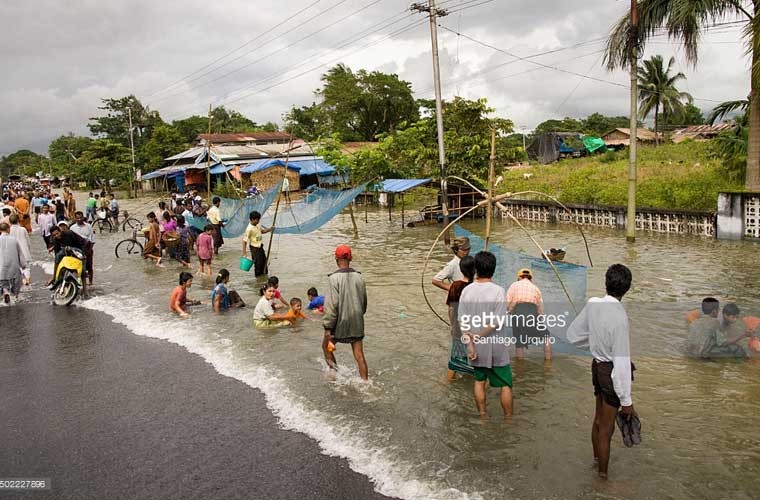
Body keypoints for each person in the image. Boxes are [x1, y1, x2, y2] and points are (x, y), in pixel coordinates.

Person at [566, 264, 634, 480]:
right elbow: (621, 363)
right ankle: (602, 478)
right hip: (610, 370)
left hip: (597, 366)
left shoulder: (593, 304)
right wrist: (626, 400)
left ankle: (596, 461)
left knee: (598, 421)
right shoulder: (620, 318)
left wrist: (596, 346)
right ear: (627, 289)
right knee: (607, 428)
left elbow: (573, 336)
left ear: (606, 282)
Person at [458, 251, 512, 418]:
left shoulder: (467, 291)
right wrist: (480, 335)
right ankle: (509, 418)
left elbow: (462, 321)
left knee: (479, 381)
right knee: (505, 384)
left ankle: (482, 415)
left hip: (476, 347)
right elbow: (497, 321)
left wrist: (470, 344)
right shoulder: (498, 291)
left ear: (476, 269)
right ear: (493, 269)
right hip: (495, 345)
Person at [322, 245, 369, 380]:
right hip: (356, 319)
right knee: (359, 354)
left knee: (326, 346)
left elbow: (331, 305)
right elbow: (364, 302)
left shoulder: (333, 279)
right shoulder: (360, 277)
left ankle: (335, 375)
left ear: (336, 259)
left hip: (339, 321)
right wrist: (359, 316)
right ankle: (365, 383)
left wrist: (328, 328)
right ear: (351, 258)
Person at [507, 268, 550, 361]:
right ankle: (548, 363)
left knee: (519, 343)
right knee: (546, 336)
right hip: (532, 314)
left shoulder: (514, 285)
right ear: (530, 278)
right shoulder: (536, 288)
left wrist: (510, 311)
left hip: (518, 314)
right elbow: (541, 311)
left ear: (519, 277)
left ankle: (520, 367)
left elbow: (507, 303)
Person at [446, 255, 476, 379]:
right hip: (476, 328)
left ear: (461, 269)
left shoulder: (456, 285)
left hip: (459, 328)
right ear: (475, 270)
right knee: (475, 359)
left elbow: (452, 309)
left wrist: (452, 324)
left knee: (455, 359)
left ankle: (448, 383)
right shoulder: (477, 287)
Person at [0, 222, 27, 304]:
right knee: (16, 284)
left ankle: (5, 292)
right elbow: (20, 254)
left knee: (3, 283)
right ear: (8, 229)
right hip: (14, 266)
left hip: (1, 267)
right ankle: (15, 296)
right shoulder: (14, 240)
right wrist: (23, 265)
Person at [242, 210, 273, 277]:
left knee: (264, 263)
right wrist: (244, 254)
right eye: (257, 220)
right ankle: (258, 279)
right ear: (252, 219)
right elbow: (244, 241)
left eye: (259, 219)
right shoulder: (249, 229)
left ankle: (264, 276)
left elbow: (262, 231)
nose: (258, 221)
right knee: (258, 265)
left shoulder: (258, 225)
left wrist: (269, 229)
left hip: (260, 247)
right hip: (254, 249)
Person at [70, 211, 95, 285]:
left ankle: (91, 282)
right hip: (77, 250)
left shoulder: (88, 226)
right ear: (75, 218)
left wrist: (90, 249)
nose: (79, 219)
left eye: (81, 217)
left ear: (83, 217)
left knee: (89, 266)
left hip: (88, 248)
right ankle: (79, 282)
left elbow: (92, 239)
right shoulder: (72, 228)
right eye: (77, 218)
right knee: (78, 267)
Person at [8, 215, 31, 286]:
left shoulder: (9, 230)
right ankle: (27, 279)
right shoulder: (23, 229)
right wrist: (29, 250)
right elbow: (28, 241)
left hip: (13, 252)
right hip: (24, 251)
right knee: (26, 268)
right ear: (18, 220)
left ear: (10, 221)